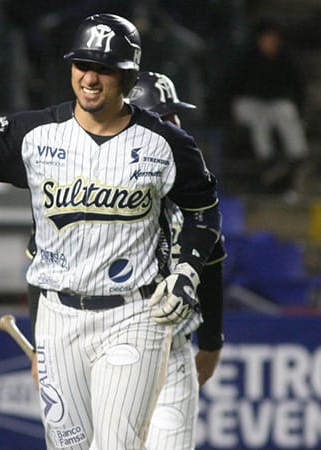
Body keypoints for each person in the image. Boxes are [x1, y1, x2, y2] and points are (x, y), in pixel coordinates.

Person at [0, 13, 222, 449]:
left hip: (133, 315)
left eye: (104, 69)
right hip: (58, 317)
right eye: (82, 65)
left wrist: (187, 270)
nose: (90, 79)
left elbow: (203, 211)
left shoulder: (167, 143)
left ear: (129, 76)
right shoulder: (35, 133)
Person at [129, 71, 225, 449]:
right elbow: (44, 262)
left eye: (174, 117)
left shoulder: (192, 181)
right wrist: (43, 350)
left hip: (172, 344)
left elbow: (212, 261)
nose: (175, 126)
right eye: (164, 118)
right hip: (99, 338)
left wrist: (212, 341)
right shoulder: (93, 182)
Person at [221, 18, 309, 197]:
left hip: (273, 105)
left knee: (287, 111)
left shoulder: (285, 58)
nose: (270, 42)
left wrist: (301, 110)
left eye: (273, 38)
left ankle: (297, 156)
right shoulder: (246, 57)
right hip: (248, 104)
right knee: (260, 117)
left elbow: (299, 87)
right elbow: (228, 86)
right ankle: (267, 160)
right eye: (266, 38)